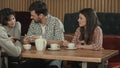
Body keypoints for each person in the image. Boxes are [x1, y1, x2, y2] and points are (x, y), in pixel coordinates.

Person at [23, 1, 64, 68]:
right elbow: (29, 36)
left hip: (54, 57)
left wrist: (42, 40)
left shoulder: (56, 22)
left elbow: (61, 42)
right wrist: (26, 41)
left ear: (41, 15)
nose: (31, 17)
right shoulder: (33, 22)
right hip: (38, 57)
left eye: (33, 15)